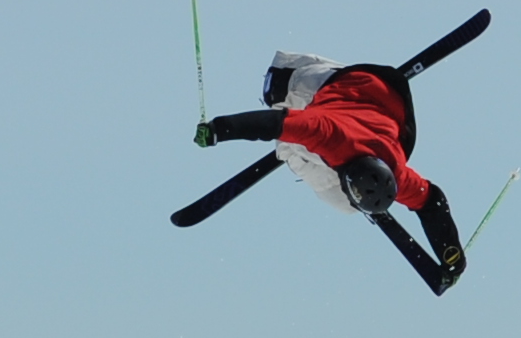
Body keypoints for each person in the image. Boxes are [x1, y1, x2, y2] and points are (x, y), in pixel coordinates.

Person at [196, 51, 469, 288]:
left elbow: (432, 202)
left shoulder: (397, 173)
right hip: (334, 86)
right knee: (282, 103)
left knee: (343, 201)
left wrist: (451, 255)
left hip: (373, 87)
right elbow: (273, 123)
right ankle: (288, 148)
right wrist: (219, 130)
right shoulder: (328, 136)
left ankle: (294, 83)